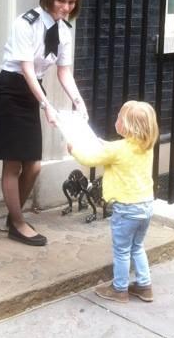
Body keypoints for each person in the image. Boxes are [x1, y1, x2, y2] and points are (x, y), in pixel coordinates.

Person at [0, 0, 88, 247]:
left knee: (33, 166)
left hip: (33, 92)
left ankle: (13, 216)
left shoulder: (64, 31)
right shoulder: (26, 23)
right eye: (61, 0)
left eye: (71, 2)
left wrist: (78, 101)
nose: (66, 7)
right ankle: (18, 223)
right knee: (13, 163)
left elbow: (64, 72)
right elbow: (27, 69)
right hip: (11, 90)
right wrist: (46, 105)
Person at [67, 100, 158, 302]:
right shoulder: (145, 146)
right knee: (137, 247)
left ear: (128, 126)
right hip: (146, 206)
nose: (116, 120)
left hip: (126, 209)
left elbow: (89, 160)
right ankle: (144, 286)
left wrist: (73, 149)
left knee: (121, 250)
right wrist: (103, 143)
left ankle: (119, 289)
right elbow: (118, 150)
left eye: (119, 118)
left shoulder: (118, 149)